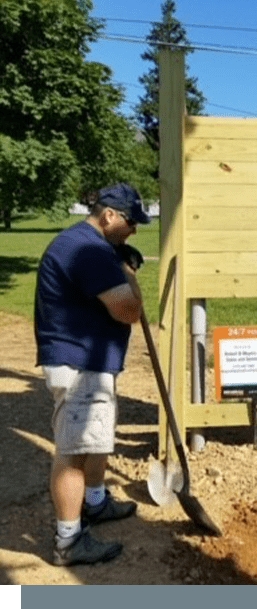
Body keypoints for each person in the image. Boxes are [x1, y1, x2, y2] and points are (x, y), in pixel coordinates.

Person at [34, 182, 150, 566]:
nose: (135, 229)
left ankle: (96, 503)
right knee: (75, 453)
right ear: (109, 216)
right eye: (131, 222)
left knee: (95, 441)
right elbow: (128, 310)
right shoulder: (90, 252)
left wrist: (115, 257)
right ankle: (68, 541)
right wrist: (126, 270)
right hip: (79, 365)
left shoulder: (86, 244)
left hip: (89, 361)